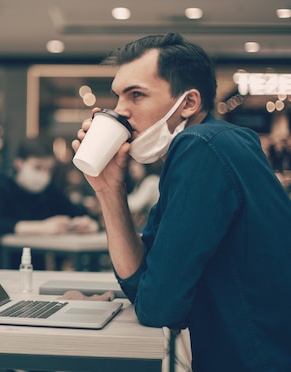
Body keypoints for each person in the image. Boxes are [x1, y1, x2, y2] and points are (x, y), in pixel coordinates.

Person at [72, 33, 291, 371]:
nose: (121, 112)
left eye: (136, 95)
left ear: (188, 103)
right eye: (118, 97)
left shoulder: (200, 147)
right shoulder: (219, 142)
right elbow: (146, 282)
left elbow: (159, 307)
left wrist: (147, 295)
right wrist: (108, 189)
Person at [0, 137, 98, 270]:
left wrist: (86, 223)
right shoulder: (0, 188)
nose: (43, 175)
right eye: (37, 167)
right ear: (19, 164)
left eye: (48, 170)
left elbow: (73, 211)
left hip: (38, 271)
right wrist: (41, 227)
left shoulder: (50, 190)